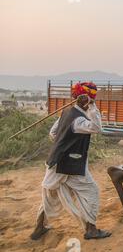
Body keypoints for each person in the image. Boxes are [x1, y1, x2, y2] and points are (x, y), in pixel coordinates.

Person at [30, 82, 111, 241]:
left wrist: (65, 144)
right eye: (90, 100)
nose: (90, 102)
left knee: (50, 196)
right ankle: (91, 230)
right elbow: (97, 128)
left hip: (56, 163)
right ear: (85, 101)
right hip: (69, 166)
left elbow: (53, 134)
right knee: (92, 191)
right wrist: (93, 107)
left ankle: (39, 228)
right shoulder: (78, 120)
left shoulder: (66, 113)